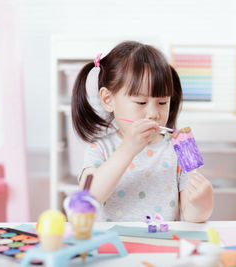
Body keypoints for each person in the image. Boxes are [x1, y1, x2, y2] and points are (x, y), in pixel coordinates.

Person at [71, 41, 213, 222]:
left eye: (162, 103)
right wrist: (128, 148)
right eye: (141, 103)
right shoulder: (100, 148)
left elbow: (193, 216)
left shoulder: (183, 143)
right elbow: (87, 199)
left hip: (164, 245)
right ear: (108, 99)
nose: (154, 114)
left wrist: (203, 203)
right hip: (115, 246)